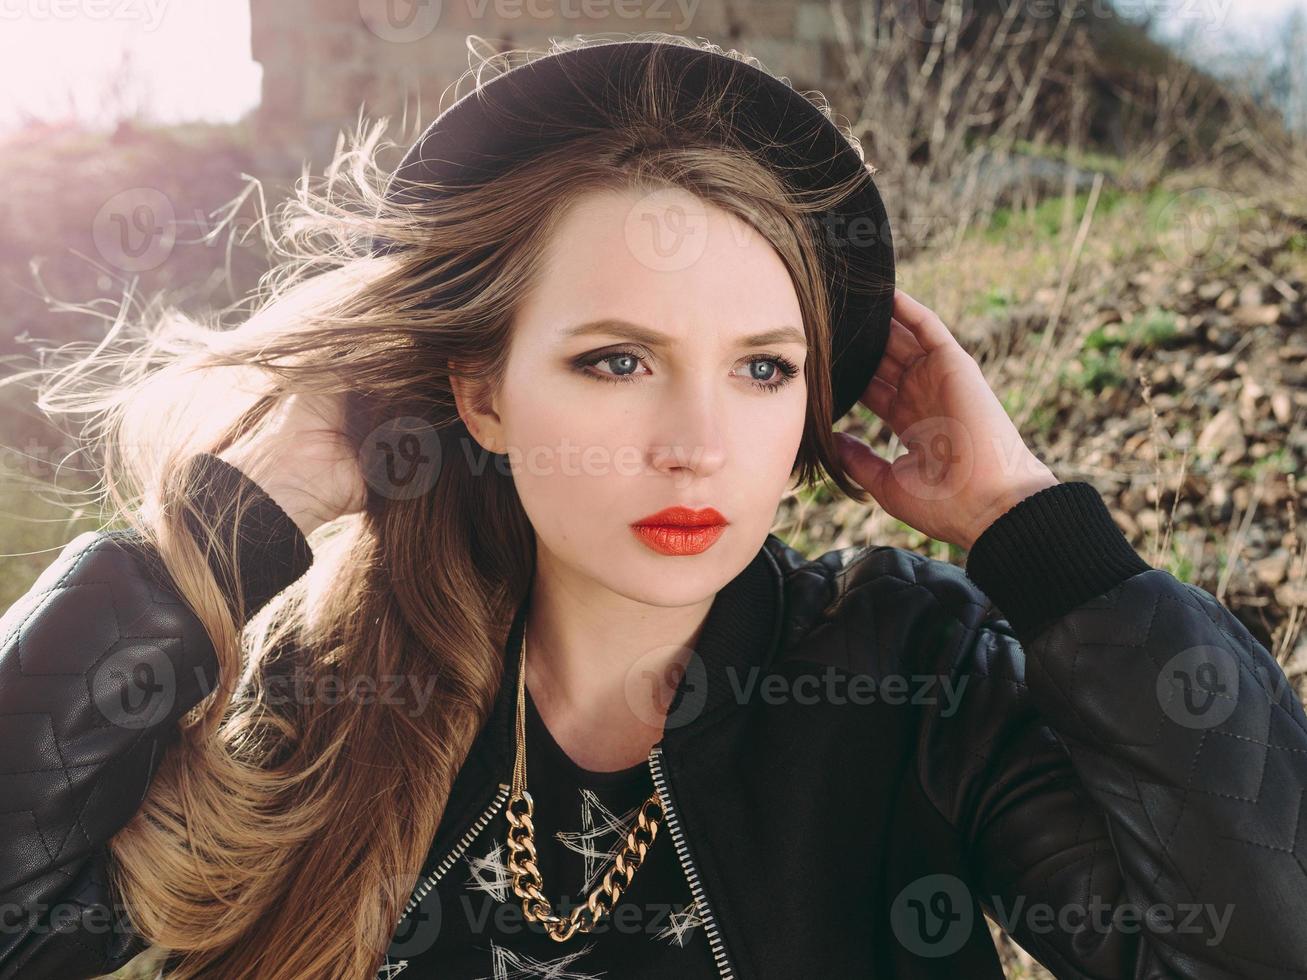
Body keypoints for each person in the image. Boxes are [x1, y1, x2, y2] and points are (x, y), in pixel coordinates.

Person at [1, 33, 1304, 980]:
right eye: (615, 361)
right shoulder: (326, 689)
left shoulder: (917, 677)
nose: (696, 447)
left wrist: (1041, 542)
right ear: (485, 395)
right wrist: (235, 530)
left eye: (761, 369)